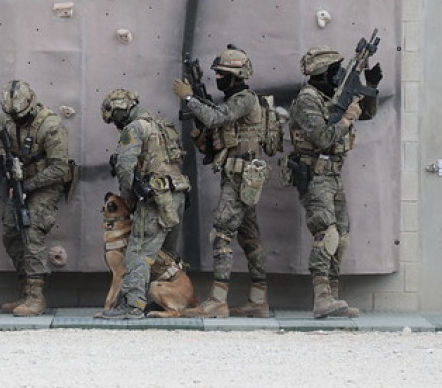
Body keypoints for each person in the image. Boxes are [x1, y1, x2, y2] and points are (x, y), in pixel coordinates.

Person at [173, 45, 272, 318]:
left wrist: (191, 98)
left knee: (221, 234)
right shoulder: (237, 100)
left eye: (222, 74)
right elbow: (216, 134)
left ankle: (218, 301)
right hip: (239, 175)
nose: (218, 79)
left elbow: (217, 117)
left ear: (237, 75)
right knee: (250, 237)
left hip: (241, 178)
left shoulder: (245, 99)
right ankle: (258, 301)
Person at [288, 47, 382, 318]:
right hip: (315, 175)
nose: (339, 74)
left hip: (333, 175)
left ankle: (334, 296)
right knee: (325, 234)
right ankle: (322, 298)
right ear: (322, 72)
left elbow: (367, 113)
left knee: (340, 236)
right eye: (335, 69)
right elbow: (323, 138)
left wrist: (371, 86)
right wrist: (347, 118)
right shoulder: (308, 99)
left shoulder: (331, 96)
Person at [98, 89, 191, 319]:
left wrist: (129, 201)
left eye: (114, 119)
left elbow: (125, 169)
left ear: (120, 110)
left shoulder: (134, 128)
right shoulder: (163, 125)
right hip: (176, 194)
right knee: (164, 256)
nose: (116, 125)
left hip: (154, 198)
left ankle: (132, 306)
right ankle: (163, 303)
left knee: (138, 252)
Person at [0, 80, 70, 316]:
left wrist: (28, 184)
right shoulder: (6, 118)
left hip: (44, 185)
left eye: (20, 117)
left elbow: (59, 168)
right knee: (10, 235)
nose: (16, 121)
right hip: (16, 182)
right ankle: (25, 292)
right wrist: (2, 157)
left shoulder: (50, 125)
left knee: (31, 230)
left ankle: (36, 297)